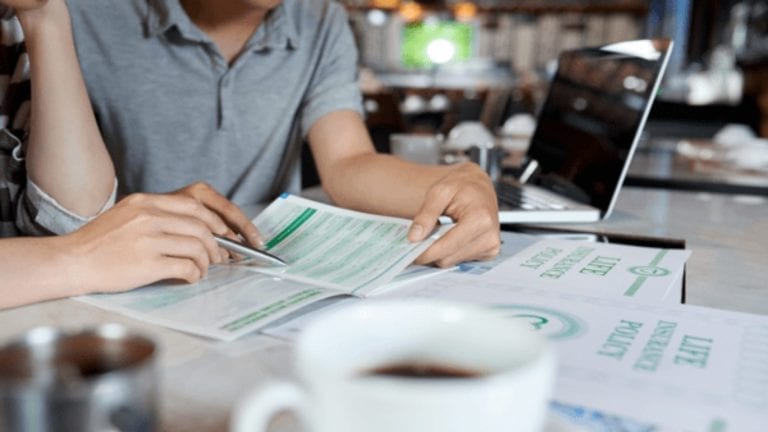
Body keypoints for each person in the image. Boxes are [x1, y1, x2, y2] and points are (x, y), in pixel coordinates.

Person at [61, 0, 502, 268]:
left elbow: (348, 163)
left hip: (265, 270)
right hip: (125, 266)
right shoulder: (82, 15)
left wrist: (452, 182)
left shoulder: (320, 20)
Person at [0, 0, 240, 309]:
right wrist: (78, 257)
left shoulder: (13, 27)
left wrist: (45, 17)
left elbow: (68, 222)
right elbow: (79, 245)